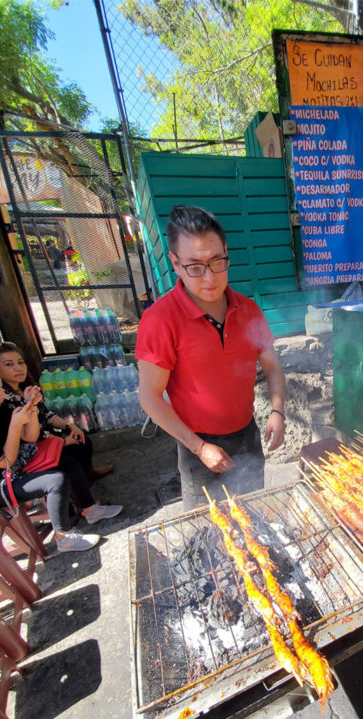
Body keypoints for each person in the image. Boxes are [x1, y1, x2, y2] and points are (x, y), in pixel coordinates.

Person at [136, 205, 286, 510]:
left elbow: (272, 366)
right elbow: (149, 397)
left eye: (217, 262)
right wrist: (199, 447)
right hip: (197, 446)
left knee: (253, 518)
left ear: (227, 252)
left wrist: (278, 411)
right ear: (175, 264)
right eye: (195, 267)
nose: (209, 278)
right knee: (209, 532)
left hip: (247, 436)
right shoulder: (159, 320)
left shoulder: (248, 309)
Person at [0, 364, 122, 552]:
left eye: (1, 388)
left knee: (68, 462)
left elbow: (30, 437)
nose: (2, 393)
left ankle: (90, 510)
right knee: (55, 480)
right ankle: (64, 538)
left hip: (18, 465)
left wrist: (31, 407)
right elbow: (6, 463)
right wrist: (15, 426)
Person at [0, 342, 113, 481]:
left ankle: (89, 473)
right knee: (69, 462)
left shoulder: (26, 389)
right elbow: (29, 436)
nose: (18, 368)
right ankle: (81, 499)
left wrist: (69, 425)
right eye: (9, 364)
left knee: (83, 440)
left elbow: (47, 414)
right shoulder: (2, 401)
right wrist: (63, 441)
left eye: (20, 362)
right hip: (29, 449)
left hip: (46, 437)